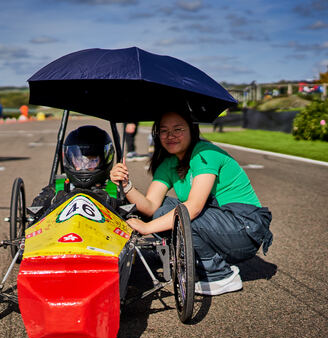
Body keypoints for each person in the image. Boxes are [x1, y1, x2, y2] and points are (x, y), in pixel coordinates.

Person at [110, 111, 273, 296]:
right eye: (164, 130)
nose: (170, 135)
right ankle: (192, 260)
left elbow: (193, 207)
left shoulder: (205, 153)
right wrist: (126, 184)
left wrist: (146, 228)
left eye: (178, 129)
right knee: (162, 210)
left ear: (192, 131)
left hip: (245, 226)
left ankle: (220, 276)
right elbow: (150, 206)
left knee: (184, 217)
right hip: (218, 221)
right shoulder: (168, 163)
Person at [31, 125, 115, 213]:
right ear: (70, 159)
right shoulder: (56, 189)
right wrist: (54, 201)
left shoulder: (114, 189)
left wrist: (112, 202)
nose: (84, 165)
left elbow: (129, 212)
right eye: (79, 160)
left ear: (104, 160)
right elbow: (35, 208)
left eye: (92, 160)